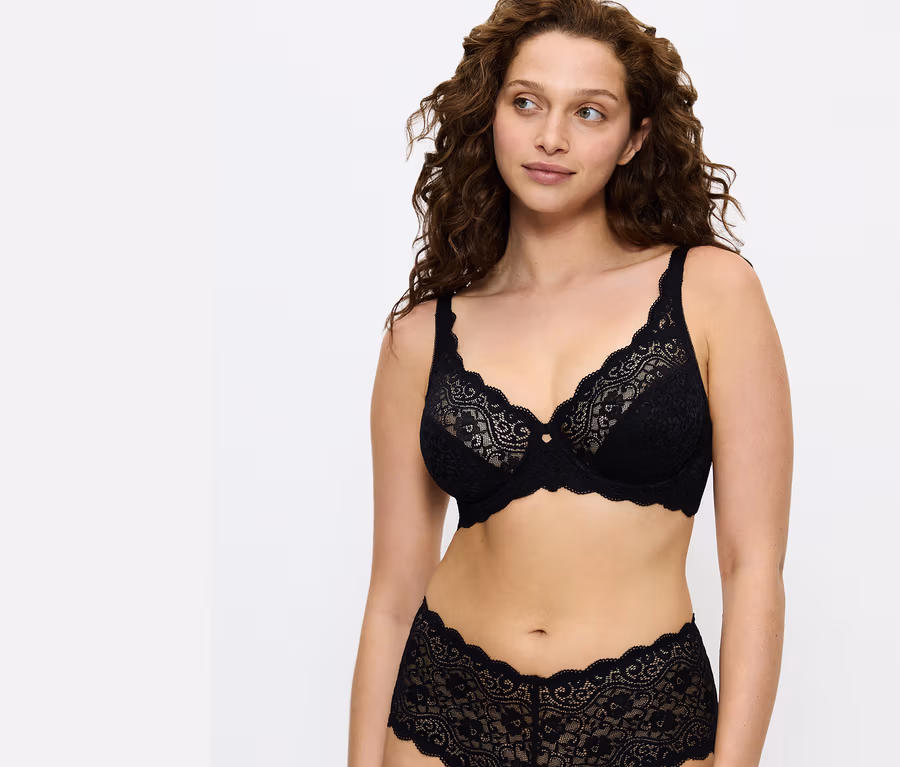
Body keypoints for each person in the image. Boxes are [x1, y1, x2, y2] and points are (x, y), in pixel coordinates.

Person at [349, 1, 793, 765]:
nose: (551, 136)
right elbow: (392, 595)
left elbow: (752, 565)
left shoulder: (711, 291)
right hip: (444, 711)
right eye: (527, 102)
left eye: (590, 112)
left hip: (642, 714)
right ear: (491, 115)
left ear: (634, 139)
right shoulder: (419, 336)